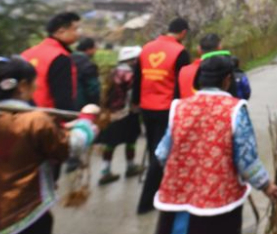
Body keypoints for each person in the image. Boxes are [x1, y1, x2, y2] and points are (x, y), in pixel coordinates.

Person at [0, 57, 96, 234]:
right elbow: (70, 147)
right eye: (34, 82)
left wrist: (62, 128)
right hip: (23, 215)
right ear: (23, 86)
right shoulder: (34, 120)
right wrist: (86, 120)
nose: (37, 87)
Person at [153, 55, 277, 234]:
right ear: (227, 80)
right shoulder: (235, 110)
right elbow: (246, 160)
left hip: (177, 203)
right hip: (219, 206)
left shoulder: (179, 107)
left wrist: (184, 175)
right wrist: (266, 185)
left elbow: (161, 153)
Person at [132, 18, 191, 214]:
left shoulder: (146, 48)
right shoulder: (180, 52)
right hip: (166, 108)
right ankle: (146, 201)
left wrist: (135, 102)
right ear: (183, 33)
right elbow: (182, 83)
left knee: (153, 150)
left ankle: (158, 189)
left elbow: (138, 78)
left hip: (146, 107)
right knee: (162, 153)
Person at [96, 46, 144, 185]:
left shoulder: (113, 72)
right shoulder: (130, 75)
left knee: (110, 142)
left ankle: (105, 171)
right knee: (131, 139)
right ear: (133, 60)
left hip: (111, 112)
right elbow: (132, 94)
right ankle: (130, 166)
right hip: (127, 113)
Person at [21, 12, 81, 111]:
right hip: (48, 116)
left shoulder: (26, 53)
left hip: (22, 113)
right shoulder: (60, 58)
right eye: (75, 29)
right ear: (61, 31)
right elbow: (63, 100)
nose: (78, 34)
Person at [177, 33, 229, 99]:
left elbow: (177, 96)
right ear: (220, 47)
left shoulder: (183, 71)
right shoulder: (225, 70)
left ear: (199, 49)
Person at [71, 37, 101, 110]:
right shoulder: (88, 65)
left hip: (65, 102)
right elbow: (93, 89)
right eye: (94, 48)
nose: (95, 51)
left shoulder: (66, 59)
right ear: (88, 49)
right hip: (82, 105)